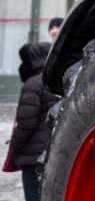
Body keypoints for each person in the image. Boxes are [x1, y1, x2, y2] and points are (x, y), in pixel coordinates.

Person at [11, 42, 59, 201]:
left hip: (33, 157)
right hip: (53, 153)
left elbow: (26, 123)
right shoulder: (55, 80)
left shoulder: (33, 84)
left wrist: (15, 147)